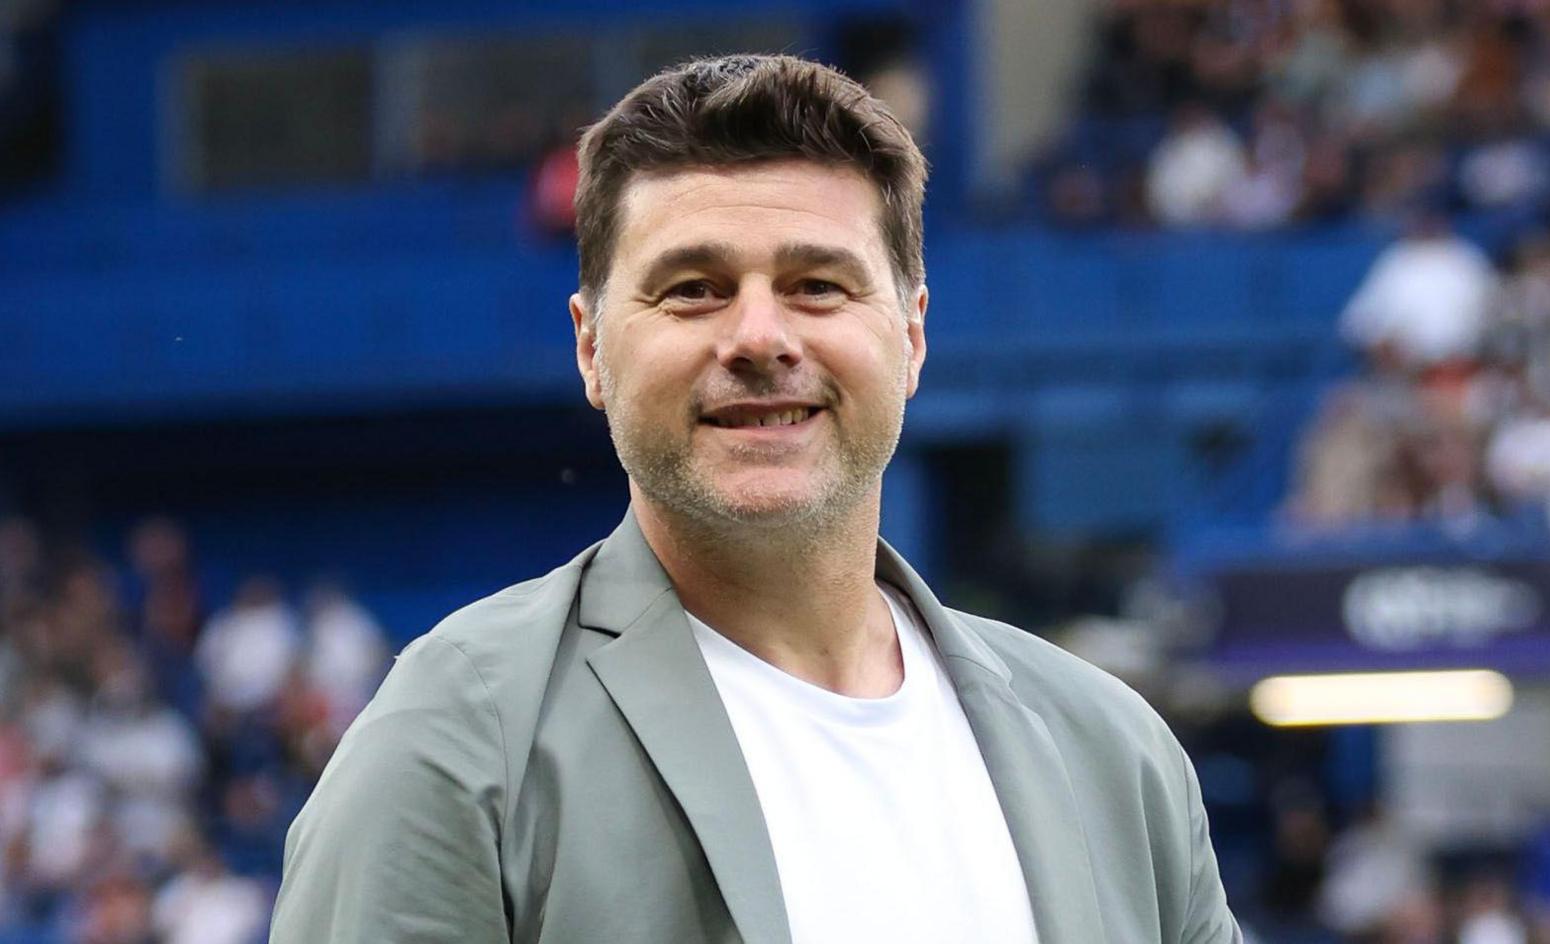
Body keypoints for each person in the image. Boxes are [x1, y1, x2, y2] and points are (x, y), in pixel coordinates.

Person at [269, 54, 1239, 944]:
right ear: (591, 347)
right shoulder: (461, 741)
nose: (760, 337)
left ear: (912, 336)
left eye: (818, 285)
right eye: (694, 289)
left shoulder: (1115, 755)